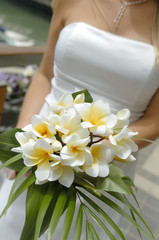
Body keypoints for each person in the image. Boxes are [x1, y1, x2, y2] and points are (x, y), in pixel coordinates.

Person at [0, 0, 159, 239]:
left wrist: (97, 151)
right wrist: (23, 137)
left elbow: (155, 119)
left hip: (103, 165)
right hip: (42, 150)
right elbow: (44, 73)